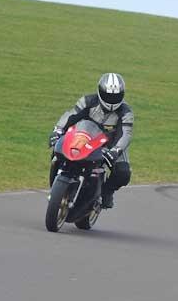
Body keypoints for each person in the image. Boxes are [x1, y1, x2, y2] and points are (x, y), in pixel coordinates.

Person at [48, 73, 134, 208]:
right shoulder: (87, 101)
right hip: (85, 138)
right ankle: (56, 181)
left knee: (123, 173)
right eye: (108, 96)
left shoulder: (126, 112)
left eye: (115, 96)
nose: (111, 100)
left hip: (111, 144)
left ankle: (107, 192)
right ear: (100, 92)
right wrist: (57, 130)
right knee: (58, 149)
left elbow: (126, 134)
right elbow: (71, 115)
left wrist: (116, 151)